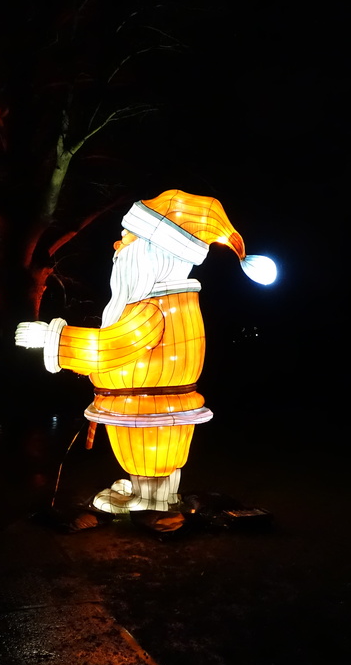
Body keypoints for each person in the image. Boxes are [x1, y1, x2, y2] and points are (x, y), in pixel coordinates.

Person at [16, 190, 276, 515]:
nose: (118, 245)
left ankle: (149, 502)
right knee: (154, 460)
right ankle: (154, 495)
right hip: (151, 407)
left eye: (128, 237)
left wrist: (53, 338)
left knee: (150, 458)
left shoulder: (152, 309)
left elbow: (111, 346)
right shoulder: (168, 303)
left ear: (158, 251)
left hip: (148, 409)